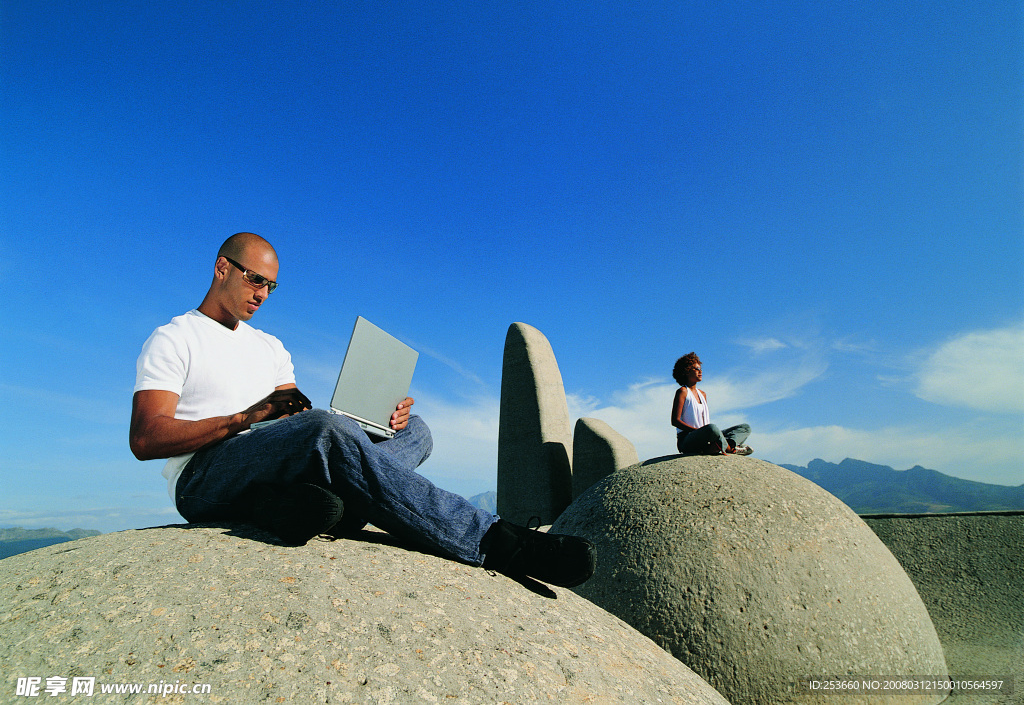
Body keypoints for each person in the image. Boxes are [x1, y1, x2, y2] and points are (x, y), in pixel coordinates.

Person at [130, 232, 595, 588]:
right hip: (205, 478)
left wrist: (373, 419)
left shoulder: (270, 347)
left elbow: (295, 418)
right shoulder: (175, 337)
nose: (263, 294)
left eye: (271, 286)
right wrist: (244, 419)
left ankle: (307, 508)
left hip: (275, 463)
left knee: (418, 432)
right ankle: (497, 541)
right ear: (221, 269)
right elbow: (147, 439)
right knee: (326, 431)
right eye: (255, 279)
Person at [670, 352, 753, 456]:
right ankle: (729, 448)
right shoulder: (683, 392)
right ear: (686, 371)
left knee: (745, 427)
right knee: (712, 428)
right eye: (696, 369)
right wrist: (698, 431)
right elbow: (675, 421)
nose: (700, 372)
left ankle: (722, 446)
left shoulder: (703, 394)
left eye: (700, 369)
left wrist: (706, 433)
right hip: (688, 439)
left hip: (706, 436)